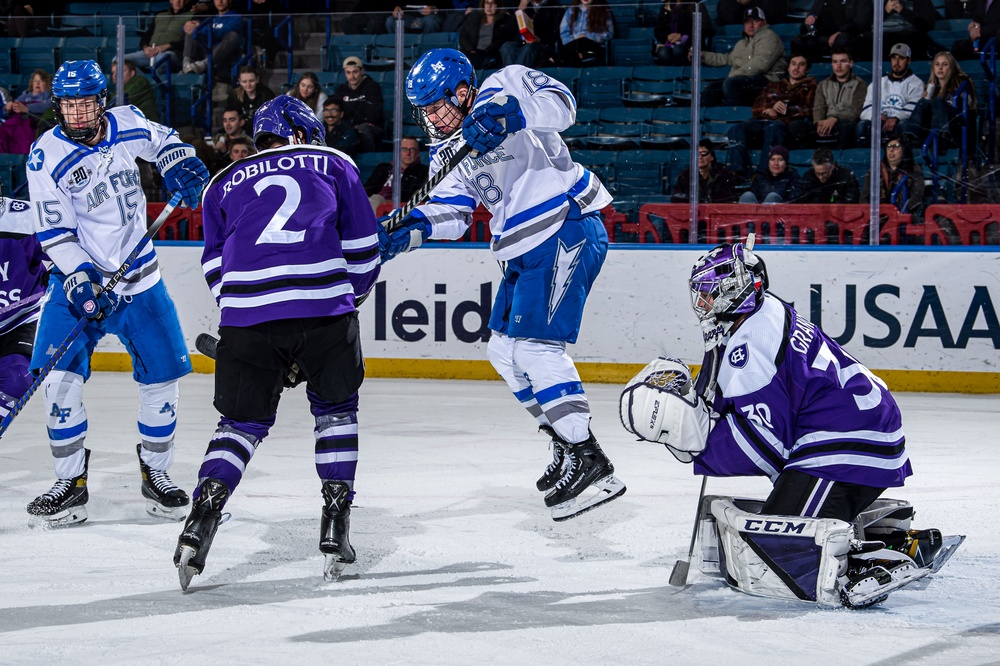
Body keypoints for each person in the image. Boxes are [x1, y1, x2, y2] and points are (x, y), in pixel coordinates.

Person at [619, 238, 961, 608]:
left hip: (845, 442)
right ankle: (891, 535)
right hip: (857, 429)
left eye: (708, 293)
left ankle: (879, 557)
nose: (701, 303)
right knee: (777, 528)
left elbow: (764, 446)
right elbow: (741, 399)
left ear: (732, 290)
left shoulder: (751, 346)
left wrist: (694, 441)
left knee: (781, 546)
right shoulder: (763, 311)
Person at [378, 49, 626, 521]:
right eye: (424, 109)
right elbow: (453, 211)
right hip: (517, 249)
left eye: (437, 105)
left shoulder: (505, 84)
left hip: (563, 226)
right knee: (503, 351)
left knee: (536, 351)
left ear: (462, 90)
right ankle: (563, 439)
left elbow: (563, 105)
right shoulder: (446, 151)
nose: (431, 116)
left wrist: (514, 113)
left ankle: (590, 458)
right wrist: (411, 229)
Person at [173, 95, 380, 589]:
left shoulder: (221, 183)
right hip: (325, 310)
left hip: (246, 320)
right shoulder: (335, 163)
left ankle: (201, 519)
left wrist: (253, 318)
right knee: (335, 413)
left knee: (239, 425)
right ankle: (335, 524)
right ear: (305, 133)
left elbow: (215, 266)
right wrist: (330, 309)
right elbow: (364, 254)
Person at [24, 59, 210, 526]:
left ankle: (156, 474)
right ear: (59, 108)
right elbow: (54, 231)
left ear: (101, 100)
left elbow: (165, 139)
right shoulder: (46, 156)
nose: (79, 113)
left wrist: (180, 163)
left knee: (161, 382)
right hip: (77, 285)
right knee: (58, 381)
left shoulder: (125, 122)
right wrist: (82, 277)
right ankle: (70, 482)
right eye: (69, 105)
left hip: (141, 280)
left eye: (86, 103)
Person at [0, 181, 46, 427]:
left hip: (18, 320)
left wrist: (68, 270)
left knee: (18, 377)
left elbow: (66, 249)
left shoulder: (25, 218)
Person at [726, 53, 816, 178]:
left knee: (774, 128)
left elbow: (810, 109)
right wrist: (770, 108)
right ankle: (736, 172)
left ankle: (762, 173)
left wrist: (783, 111)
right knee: (736, 129)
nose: (796, 68)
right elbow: (757, 106)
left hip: (784, 125)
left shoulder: (811, 86)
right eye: (793, 64)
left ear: (807, 70)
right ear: (788, 67)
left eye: (801, 65)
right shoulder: (774, 85)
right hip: (762, 121)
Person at [698, 7, 787, 107]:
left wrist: (734, 75)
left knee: (731, 84)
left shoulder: (769, 37)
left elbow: (760, 65)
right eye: (747, 22)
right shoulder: (742, 43)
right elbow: (728, 59)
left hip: (768, 82)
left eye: (755, 21)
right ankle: (703, 120)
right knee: (712, 89)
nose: (751, 25)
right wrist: (703, 56)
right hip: (746, 80)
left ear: (764, 22)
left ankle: (738, 117)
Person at [901, 51, 977, 147]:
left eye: (945, 64)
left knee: (937, 101)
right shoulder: (931, 86)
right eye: (937, 64)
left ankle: (942, 136)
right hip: (932, 125)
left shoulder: (962, 82)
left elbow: (965, 108)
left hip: (955, 124)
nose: (940, 68)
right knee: (922, 102)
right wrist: (925, 101)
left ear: (952, 67)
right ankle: (911, 135)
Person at [856, 43, 923, 146]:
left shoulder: (916, 83)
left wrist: (895, 118)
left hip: (901, 122)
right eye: (894, 58)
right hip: (880, 122)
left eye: (901, 58)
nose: (896, 62)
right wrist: (876, 116)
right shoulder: (878, 82)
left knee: (905, 126)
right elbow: (866, 109)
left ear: (908, 60)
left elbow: (914, 108)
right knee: (862, 126)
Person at [812, 47, 866, 149]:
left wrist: (835, 118)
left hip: (846, 123)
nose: (839, 66)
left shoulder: (860, 84)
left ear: (851, 63)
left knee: (845, 125)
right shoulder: (823, 84)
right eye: (835, 62)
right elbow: (818, 108)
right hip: (826, 123)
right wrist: (819, 122)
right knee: (798, 126)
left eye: (843, 61)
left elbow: (855, 112)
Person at [791, 0, 874, 63]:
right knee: (798, 41)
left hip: (848, 37)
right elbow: (811, 18)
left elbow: (861, 22)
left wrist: (840, 32)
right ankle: (810, 75)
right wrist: (807, 23)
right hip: (823, 39)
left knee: (842, 39)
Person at [124, 0, 194, 74]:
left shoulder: (193, 16)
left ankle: (154, 82)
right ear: (171, 1)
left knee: (161, 58)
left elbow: (190, 41)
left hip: (173, 52)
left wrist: (166, 46)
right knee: (118, 60)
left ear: (186, 1)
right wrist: (145, 47)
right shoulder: (160, 14)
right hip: (150, 51)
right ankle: (144, 81)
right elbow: (146, 36)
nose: (178, 1)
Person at [861, 139, 925, 217]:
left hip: (904, 215)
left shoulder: (913, 169)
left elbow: (916, 197)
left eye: (896, 147)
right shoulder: (876, 169)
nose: (891, 150)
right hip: (878, 216)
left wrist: (898, 213)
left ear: (904, 150)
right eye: (889, 147)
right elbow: (864, 197)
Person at [334, 56, 386, 153]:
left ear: (362, 71)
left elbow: (373, 114)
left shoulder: (372, 87)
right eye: (348, 73)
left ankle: (369, 158)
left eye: (355, 72)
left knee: (363, 129)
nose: (352, 76)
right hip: (349, 127)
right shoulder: (341, 90)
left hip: (372, 127)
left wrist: (355, 125)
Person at [364, 135, 430, 211]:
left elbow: (416, 197)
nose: (408, 153)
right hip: (376, 202)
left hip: (400, 207)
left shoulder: (423, 172)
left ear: (417, 152)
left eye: (412, 150)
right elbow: (367, 189)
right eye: (404, 149)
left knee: (375, 199)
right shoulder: (383, 168)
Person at [181, 0, 243, 78]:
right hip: (208, 50)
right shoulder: (212, 19)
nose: (220, 1)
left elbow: (223, 31)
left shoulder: (236, 18)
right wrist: (186, 26)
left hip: (224, 55)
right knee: (192, 30)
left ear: (230, 1)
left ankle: (204, 64)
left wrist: (200, 27)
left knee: (233, 35)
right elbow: (184, 29)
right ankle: (186, 65)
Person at [0, 67, 51, 154]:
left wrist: (27, 108)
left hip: (32, 122)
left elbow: (48, 106)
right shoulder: (25, 95)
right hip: (13, 122)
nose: (37, 83)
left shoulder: (49, 96)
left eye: (41, 81)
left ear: (47, 83)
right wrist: (8, 108)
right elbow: (13, 108)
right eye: (35, 81)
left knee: (24, 135)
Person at [671, 139, 738, 203]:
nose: (700, 157)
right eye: (697, 154)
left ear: (712, 157)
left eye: (703, 153)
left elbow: (728, 200)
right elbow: (677, 200)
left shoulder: (724, 174)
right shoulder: (685, 176)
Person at [500, 0, 563, 68]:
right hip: (522, 42)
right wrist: (519, 10)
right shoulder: (523, 5)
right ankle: (512, 75)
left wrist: (539, 39)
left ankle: (518, 76)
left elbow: (556, 33)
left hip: (542, 44)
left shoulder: (555, 7)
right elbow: (508, 30)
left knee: (528, 49)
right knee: (507, 47)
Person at [459, 0, 517, 70]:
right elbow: (463, 35)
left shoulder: (504, 21)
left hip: (491, 53)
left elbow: (503, 39)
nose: (489, 6)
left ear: (498, 6)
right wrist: (470, 49)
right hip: (472, 52)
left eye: (493, 3)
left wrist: (488, 51)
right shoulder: (474, 18)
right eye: (487, 3)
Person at [653, 0, 714, 66]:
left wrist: (682, 35)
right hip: (670, 43)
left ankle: (684, 74)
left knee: (678, 50)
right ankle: (668, 74)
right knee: (663, 53)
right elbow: (658, 30)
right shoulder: (667, 7)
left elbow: (706, 29)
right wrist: (667, 36)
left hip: (690, 43)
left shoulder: (696, 5)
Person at [559, 0, 614, 67]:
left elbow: (608, 33)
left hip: (593, 45)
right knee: (572, 50)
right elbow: (564, 32)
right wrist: (575, 43)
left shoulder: (603, 11)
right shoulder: (571, 11)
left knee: (582, 41)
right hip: (573, 45)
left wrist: (587, 36)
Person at [792, 147, 860, 202]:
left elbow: (852, 200)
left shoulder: (846, 176)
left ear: (832, 166)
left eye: (824, 173)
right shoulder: (808, 177)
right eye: (817, 173)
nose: (820, 177)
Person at [717, 0, 787, 25]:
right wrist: (737, 3)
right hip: (736, 40)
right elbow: (729, 25)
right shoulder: (725, 4)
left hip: (766, 38)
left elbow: (777, 19)